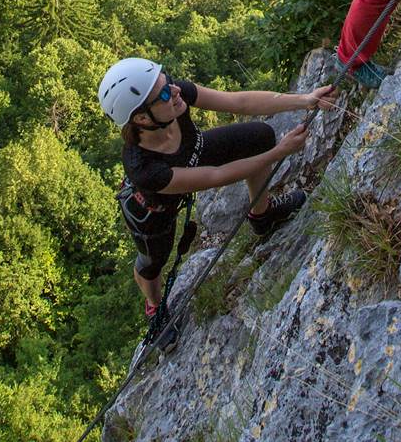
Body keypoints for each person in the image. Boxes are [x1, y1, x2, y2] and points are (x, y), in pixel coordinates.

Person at [99, 57, 338, 345]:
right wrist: (279, 153)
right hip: (155, 207)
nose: (174, 90)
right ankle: (154, 306)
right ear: (141, 119)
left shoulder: (175, 97)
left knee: (260, 137)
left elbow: (239, 102)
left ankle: (262, 216)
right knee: (152, 262)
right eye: (163, 94)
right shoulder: (144, 168)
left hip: (194, 153)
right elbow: (216, 176)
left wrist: (305, 100)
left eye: (168, 79)